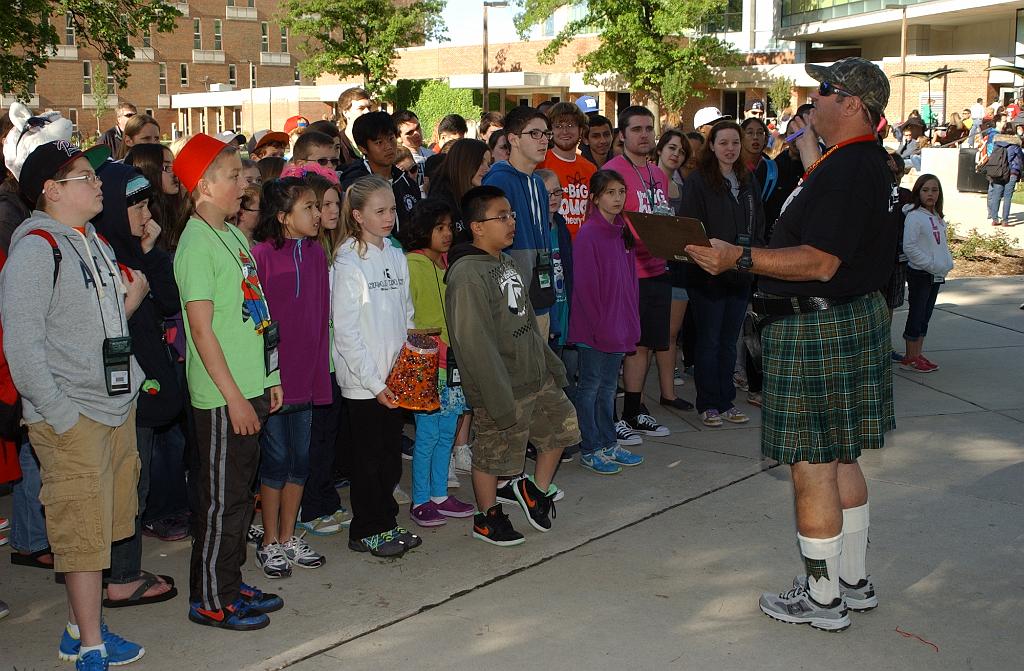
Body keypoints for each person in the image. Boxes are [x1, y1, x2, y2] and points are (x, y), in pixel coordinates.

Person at [685, 57, 897, 632]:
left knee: (812, 462)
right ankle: (852, 582)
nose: (812, 99)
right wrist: (809, 149)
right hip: (848, 319)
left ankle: (823, 599)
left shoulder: (848, 170)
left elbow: (820, 261)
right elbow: (825, 205)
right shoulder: (853, 162)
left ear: (853, 104)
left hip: (820, 325)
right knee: (842, 453)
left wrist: (738, 256)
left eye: (824, 92)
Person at [1, 140, 150, 668]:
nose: (97, 185)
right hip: (73, 416)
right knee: (81, 532)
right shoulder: (35, 251)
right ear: (51, 189)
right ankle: (90, 645)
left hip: (112, 405)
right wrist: (59, 414)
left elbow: (95, 330)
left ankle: (77, 627)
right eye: (85, 176)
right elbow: (21, 347)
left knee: (101, 527)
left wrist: (129, 302)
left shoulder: (94, 242)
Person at [172, 134, 285, 631]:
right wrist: (236, 398)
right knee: (222, 500)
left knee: (240, 496)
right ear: (203, 184)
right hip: (223, 398)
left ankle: (229, 582)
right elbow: (200, 330)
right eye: (234, 176)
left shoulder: (235, 236)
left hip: (250, 386)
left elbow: (255, 311)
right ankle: (213, 599)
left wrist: (271, 374)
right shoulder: (196, 244)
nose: (245, 184)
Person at [445, 185, 580, 546]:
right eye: (501, 216)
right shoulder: (468, 274)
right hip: (501, 383)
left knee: (561, 429)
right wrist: (494, 393)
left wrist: (550, 363)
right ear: (476, 226)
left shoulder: (504, 261)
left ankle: (534, 489)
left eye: (512, 215)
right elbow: (473, 341)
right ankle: (486, 517)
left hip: (534, 375)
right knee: (494, 453)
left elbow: (526, 322)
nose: (510, 222)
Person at [91, 160, 182, 611]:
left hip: (143, 388)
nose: (147, 213)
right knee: (129, 485)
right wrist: (131, 300)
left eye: (148, 203)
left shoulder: (133, 250)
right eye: (138, 206)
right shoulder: (99, 256)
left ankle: (122, 571)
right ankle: (121, 576)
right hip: (122, 392)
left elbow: (169, 302)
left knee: (135, 481)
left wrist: (151, 252)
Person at [331, 175, 421, 558]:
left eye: (392, 210)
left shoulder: (395, 254)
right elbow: (347, 332)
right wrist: (374, 382)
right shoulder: (347, 261)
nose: (389, 218)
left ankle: (386, 522)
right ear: (357, 216)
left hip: (395, 378)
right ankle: (365, 529)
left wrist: (409, 366)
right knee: (368, 460)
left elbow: (407, 315)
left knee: (389, 459)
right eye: (379, 211)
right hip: (365, 383)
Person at [251, 177, 332, 577]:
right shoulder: (261, 255)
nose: (319, 215)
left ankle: (288, 536)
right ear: (283, 217)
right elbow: (254, 321)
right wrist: (266, 377)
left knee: (301, 458)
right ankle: (267, 541)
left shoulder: (317, 254)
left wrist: (320, 375)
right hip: (274, 378)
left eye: (319, 207)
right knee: (276, 458)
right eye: (309, 208)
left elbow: (320, 318)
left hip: (307, 374)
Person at [679, 121, 763, 427]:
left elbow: (759, 226)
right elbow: (691, 229)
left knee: (730, 341)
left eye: (735, 143)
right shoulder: (698, 181)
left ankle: (726, 400)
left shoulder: (747, 180)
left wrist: (755, 259)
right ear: (711, 146)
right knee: (709, 341)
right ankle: (708, 402)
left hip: (740, 272)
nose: (730, 148)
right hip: (708, 275)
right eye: (723, 142)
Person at [400, 199, 474, 526]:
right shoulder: (411, 265)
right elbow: (407, 320)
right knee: (428, 434)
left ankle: (439, 494)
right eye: (439, 228)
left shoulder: (444, 264)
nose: (447, 234)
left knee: (448, 430)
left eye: (449, 228)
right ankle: (420, 500)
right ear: (422, 229)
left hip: (453, 364)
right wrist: (435, 346)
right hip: (427, 365)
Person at [605, 105, 675, 441]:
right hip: (626, 272)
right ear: (622, 135)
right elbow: (604, 226)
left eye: (649, 128)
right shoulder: (612, 172)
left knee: (644, 345)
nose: (644, 134)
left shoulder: (658, 174)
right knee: (623, 346)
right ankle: (611, 416)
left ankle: (635, 409)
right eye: (636, 129)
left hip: (656, 269)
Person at [569, 170, 644, 475]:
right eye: (610, 192)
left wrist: (630, 319)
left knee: (609, 387)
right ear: (595, 197)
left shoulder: (622, 230)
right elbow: (586, 288)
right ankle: (591, 447)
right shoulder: (589, 233)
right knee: (591, 388)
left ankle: (609, 442)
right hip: (596, 329)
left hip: (617, 326)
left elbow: (631, 282)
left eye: (621, 192)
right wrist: (600, 326)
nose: (617, 198)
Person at [296, 172, 351, 537]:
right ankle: (310, 506)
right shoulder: (308, 250)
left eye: (334, 204)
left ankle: (325, 498)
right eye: (321, 205)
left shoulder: (336, 248)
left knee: (328, 433)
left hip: (335, 358)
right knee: (313, 437)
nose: (328, 212)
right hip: (314, 358)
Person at [481, 106, 555, 337]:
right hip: (512, 299)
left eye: (546, 134)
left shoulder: (539, 184)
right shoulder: (499, 179)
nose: (543, 140)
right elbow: (492, 244)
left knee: (539, 369)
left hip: (539, 293)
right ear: (513, 139)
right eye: (535, 134)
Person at [652, 129, 695, 412]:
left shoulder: (685, 186)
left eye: (681, 151)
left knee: (670, 332)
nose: (675, 154)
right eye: (671, 147)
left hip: (678, 267)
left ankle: (668, 392)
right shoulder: (643, 181)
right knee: (644, 339)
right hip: (647, 266)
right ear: (660, 149)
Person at [900, 174, 953, 373]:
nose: (931, 194)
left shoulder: (936, 216)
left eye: (934, 190)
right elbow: (910, 247)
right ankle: (910, 357)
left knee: (926, 316)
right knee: (916, 314)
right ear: (918, 192)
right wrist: (930, 264)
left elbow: (939, 244)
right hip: (921, 274)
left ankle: (918, 353)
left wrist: (944, 264)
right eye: (925, 190)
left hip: (935, 274)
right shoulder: (915, 217)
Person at [339, 112, 421, 232]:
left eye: (391, 138)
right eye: (379, 142)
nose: (388, 146)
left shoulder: (406, 182)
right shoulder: (354, 184)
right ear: (362, 148)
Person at [538, 102, 596, 240]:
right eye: (558, 126)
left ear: (581, 130)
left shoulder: (591, 168)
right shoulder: (540, 163)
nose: (564, 131)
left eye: (570, 126)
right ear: (550, 131)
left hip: (583, 246)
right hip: (552, 244)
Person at [124, 143, 189, 250]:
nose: (176, 173)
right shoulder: (139, 219)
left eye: (175, 166)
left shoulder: (176, 209)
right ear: (148, 170)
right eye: (167, 167)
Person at [429, 138, 490, 237]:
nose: (487, 169)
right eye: (481, 162)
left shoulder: (473, 196)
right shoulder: (440, 202)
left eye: (488, 163)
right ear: (465, 162)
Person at [985, 123, 1023, 226]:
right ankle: (1005, 220)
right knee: (1007, 197)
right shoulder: (1015, 144)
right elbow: (1020, 159)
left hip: (998, 171)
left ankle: (995, 219)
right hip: (1012, 172)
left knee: (996, 195)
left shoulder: (997, 142)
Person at [394, 110, 434, 193]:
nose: (417, 134)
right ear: (398, 138)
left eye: (418, 127)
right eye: (410, 132)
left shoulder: (432, 155)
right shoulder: (397, 161)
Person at [337, 87, 374, 163]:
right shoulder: (337, 144)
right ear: (346, 112)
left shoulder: (375, 140)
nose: (367, 112)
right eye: (361, 108)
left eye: (369, 108)